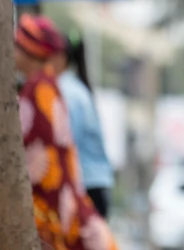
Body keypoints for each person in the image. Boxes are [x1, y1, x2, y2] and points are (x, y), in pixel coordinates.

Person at [15, 13, 118, 250]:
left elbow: (55, 146)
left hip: (69, 190)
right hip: (70, 190)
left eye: (18, 45)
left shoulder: (47, 90)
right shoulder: (48, 86)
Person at [50, 30, 115, 220]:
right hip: (92, 185)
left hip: (86, 187)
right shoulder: (71, 88)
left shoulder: (68, 93)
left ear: (61, 58)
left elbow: (67, 144)